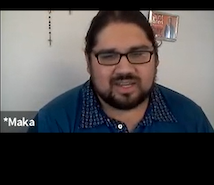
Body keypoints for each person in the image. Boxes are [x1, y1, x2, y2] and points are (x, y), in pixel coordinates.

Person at [31, 10, 214, 133]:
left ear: (156, 59)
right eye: (109, 56)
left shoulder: (192, 119)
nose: (125, 69)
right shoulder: (51, 122)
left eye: (138, 53)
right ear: (88, 61)